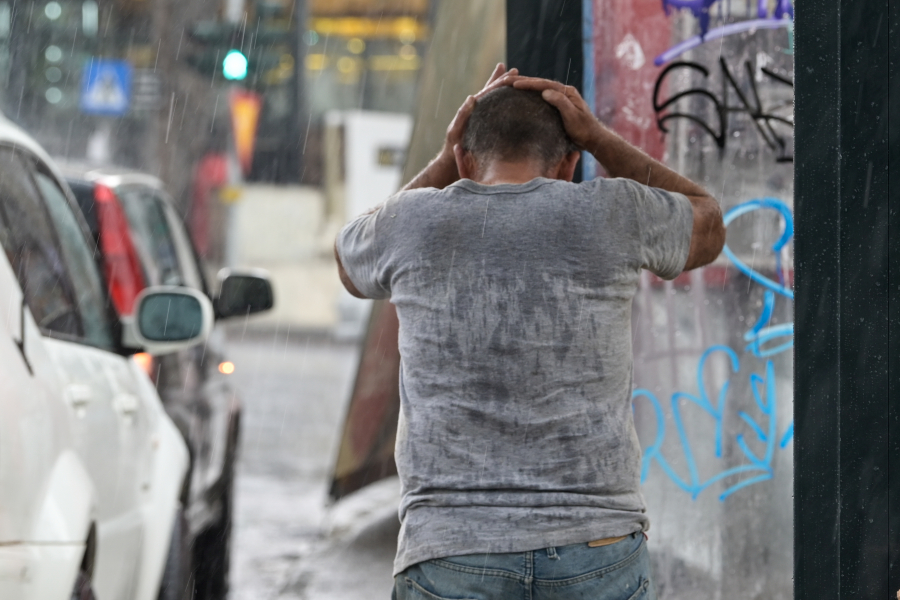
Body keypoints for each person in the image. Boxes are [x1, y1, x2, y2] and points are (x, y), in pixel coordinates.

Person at [334, 64, 725, 600]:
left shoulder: (412, 224)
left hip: (452, 553)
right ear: (569, 165)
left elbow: (348, 259)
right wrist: (600, 138)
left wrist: (445, 162)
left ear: (465, 160)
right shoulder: (613, 213)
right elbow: (709, 222)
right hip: (596, 548)